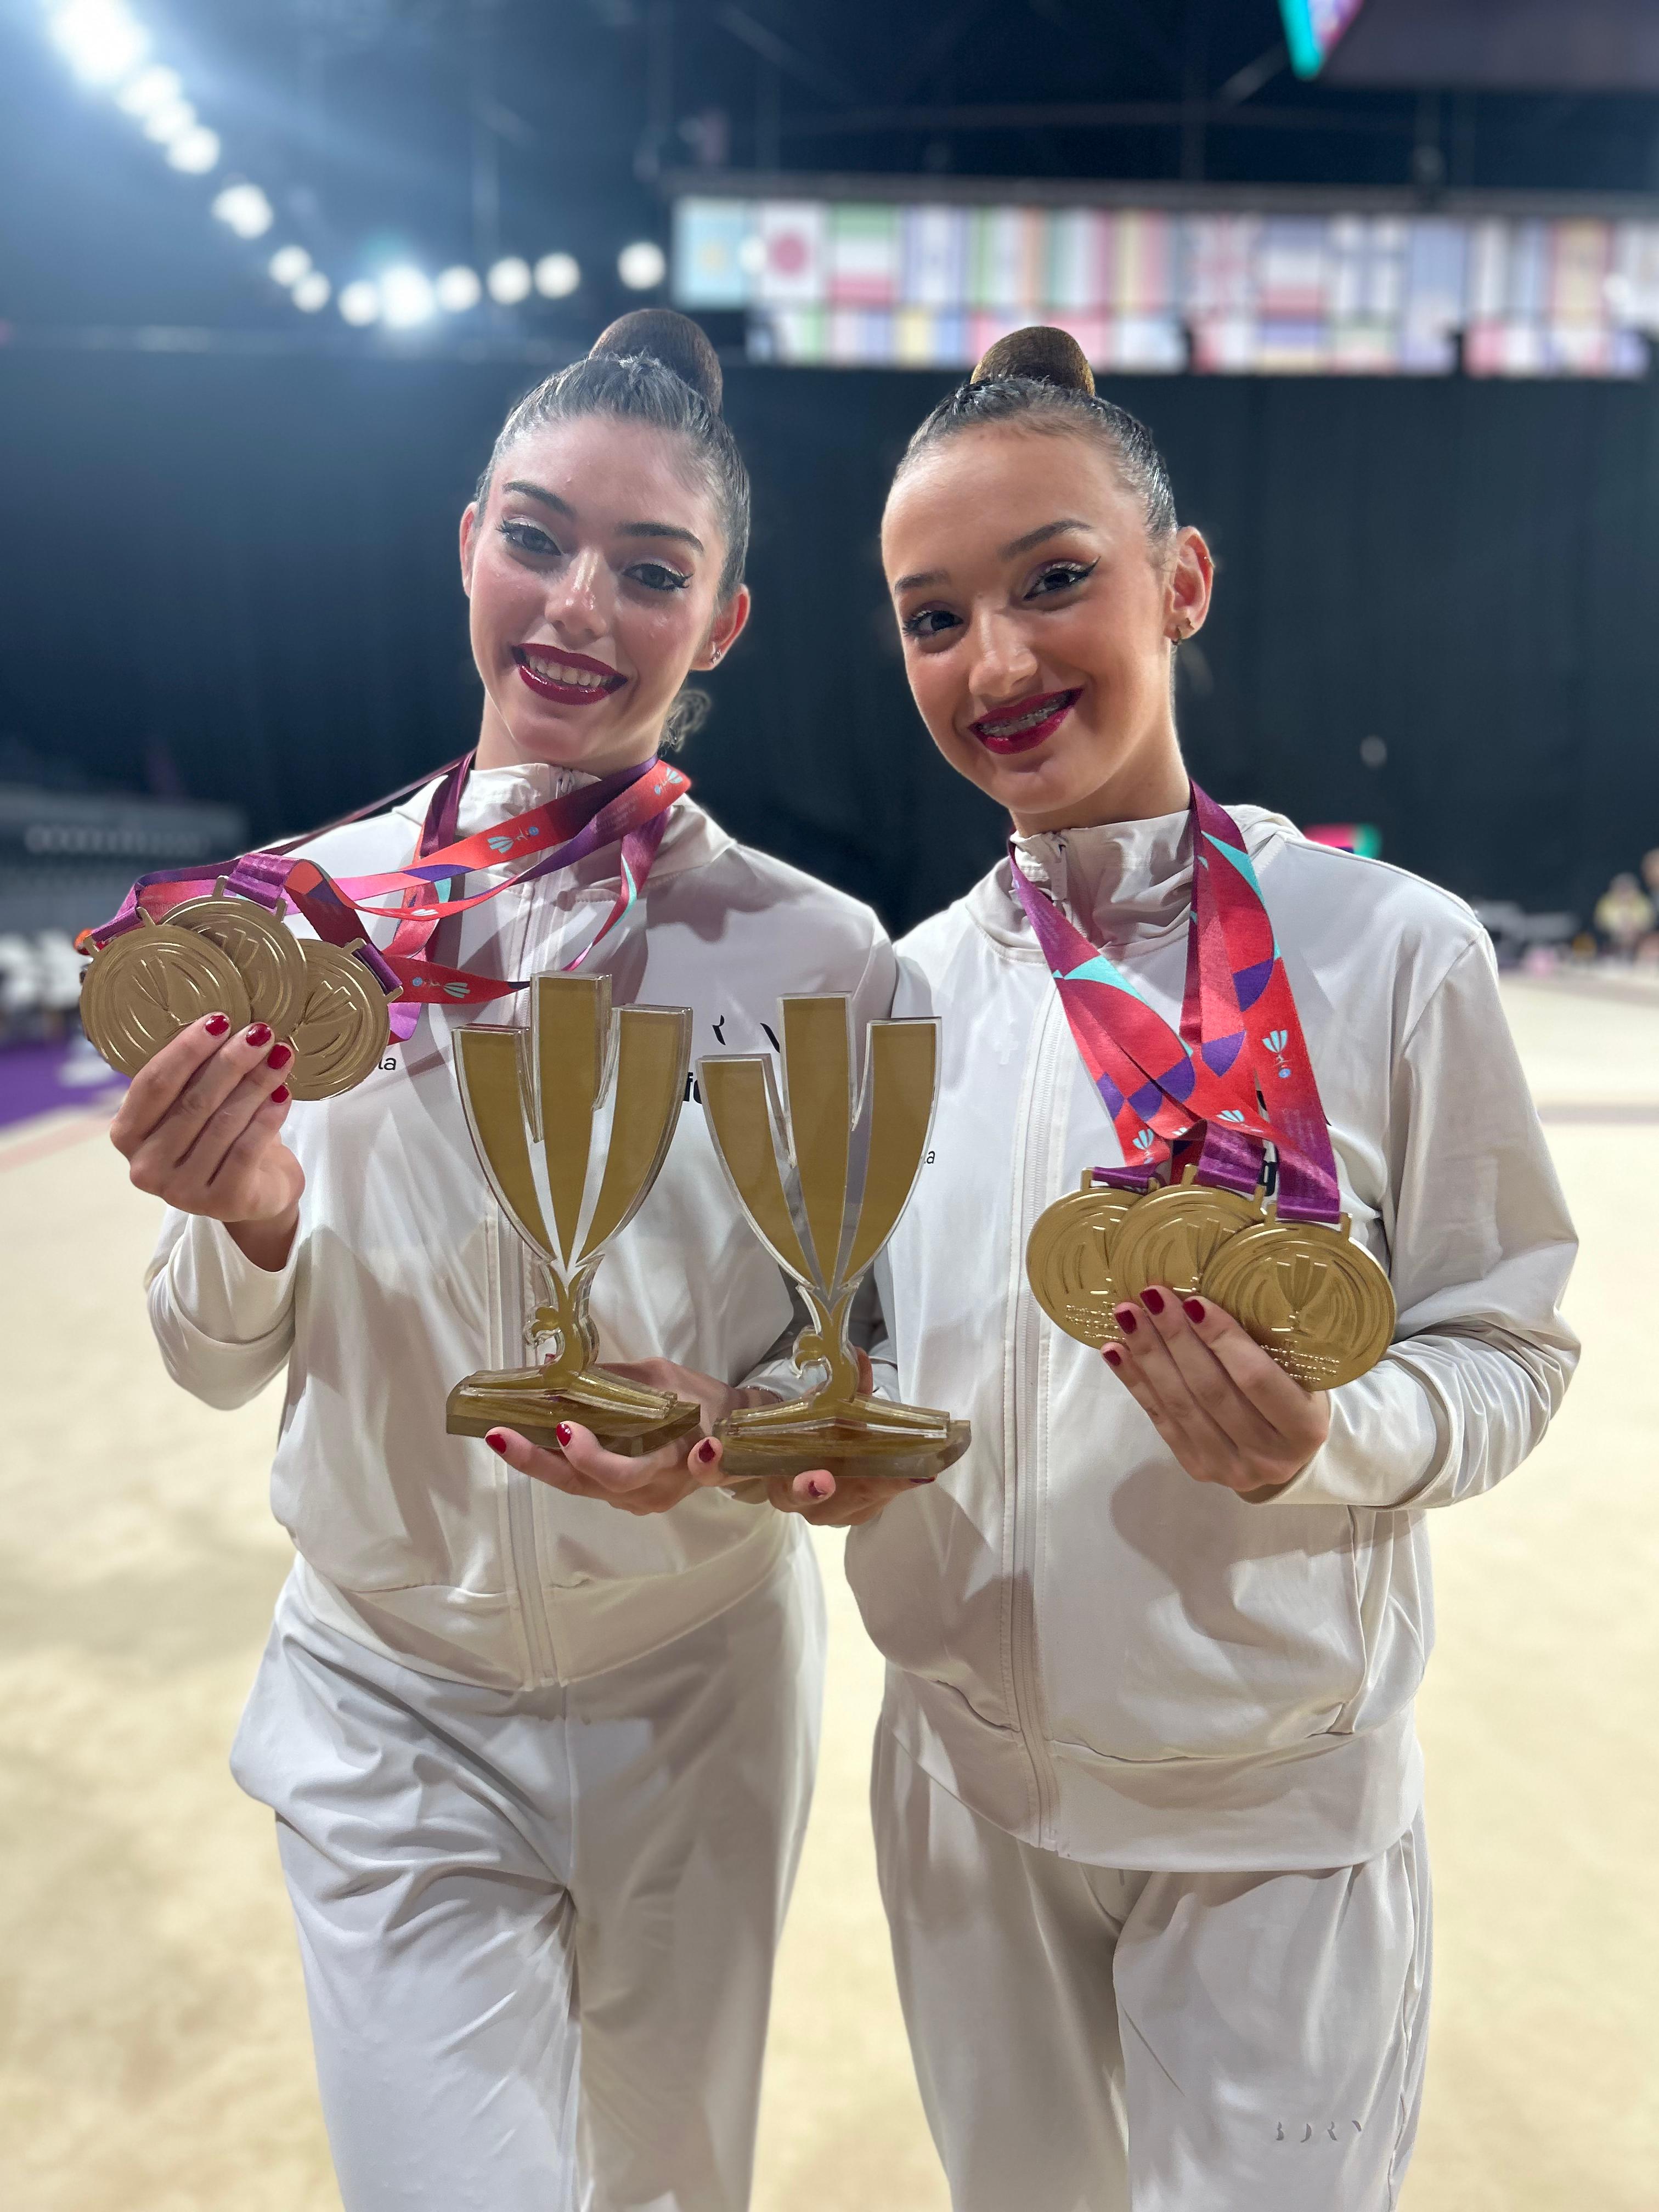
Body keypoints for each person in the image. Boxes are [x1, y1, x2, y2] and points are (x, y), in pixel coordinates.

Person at [778, 328, 1579, 2211]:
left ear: (1182, 580)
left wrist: (1338, 1438)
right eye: (932, 617)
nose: (995, 664)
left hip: (1270, 1812)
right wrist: (799, 1430)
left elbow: (1510, 1347)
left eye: (1054, 579)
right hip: (963, 1793)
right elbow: (857, 1338)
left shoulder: (1391, 950)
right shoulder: (901, 994)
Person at [112, 311, 894, 2212]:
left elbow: (859, 1350)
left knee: (669, 2189)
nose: (577, 605)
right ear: (468, 541)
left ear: (722, 623)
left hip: (692, 1690)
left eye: (651, 571)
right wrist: (248, 1220)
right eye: (536, 538)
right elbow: (212, 1358)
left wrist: (734, 1433)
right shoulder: (308, 924)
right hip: (389, 1698)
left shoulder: (816, 957)